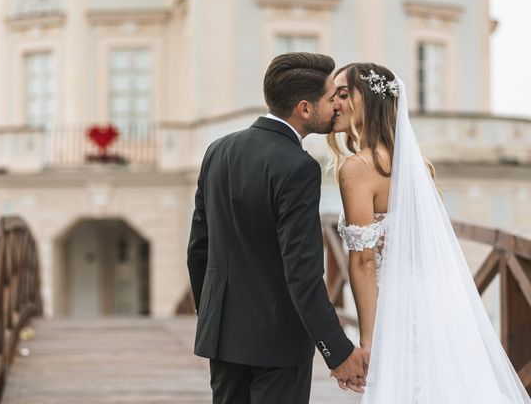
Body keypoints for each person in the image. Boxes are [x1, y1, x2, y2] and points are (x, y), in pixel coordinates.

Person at [330, 62, 531, 403]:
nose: (335, 103)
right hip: (434, 303)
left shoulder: (358, 168)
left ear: (372, 100)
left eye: (344, 94)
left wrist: (368, 341)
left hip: (392, 308)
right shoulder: (415, 163)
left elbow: (364, 261)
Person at [187, 53, 369, 404]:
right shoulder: (298, 166)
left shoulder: (218, 150)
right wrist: (338, 350)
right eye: (331, 99)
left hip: (222, 334)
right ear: (304, 108)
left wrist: (211, 312)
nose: (336, 106)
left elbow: (199, 247)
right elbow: (302, 272)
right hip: (277, 341)